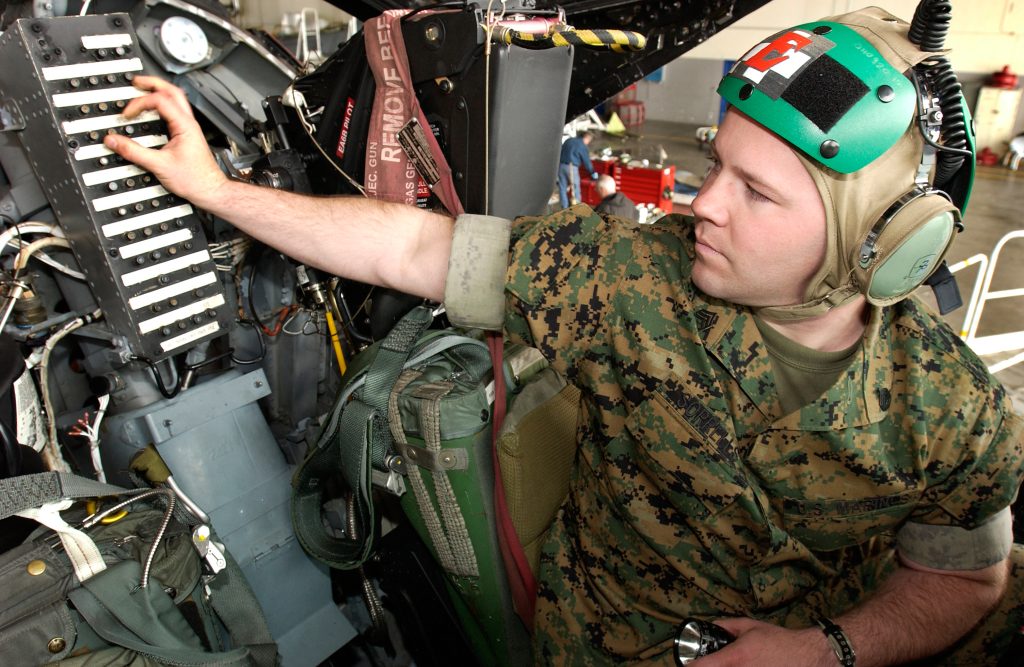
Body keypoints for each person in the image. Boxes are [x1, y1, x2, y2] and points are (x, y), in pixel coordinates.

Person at [104, 6, 1024, 665]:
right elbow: (416, 248)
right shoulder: (623, 274)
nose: (704, 204)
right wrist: (219, 193)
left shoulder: (954, 417)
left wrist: (829, 651)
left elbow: (963, 583)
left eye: (758, 193)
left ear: (881, 242)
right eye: (718, 166)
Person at [557, 130, 598, 208]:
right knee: (575, 188)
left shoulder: (569, 140)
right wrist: (592, 172)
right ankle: (576, 209)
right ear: (587, 138)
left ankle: (564, 208)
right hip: (571, 168)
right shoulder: (582, 145)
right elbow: (586, 162)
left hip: (561, 166)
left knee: (562, 188)